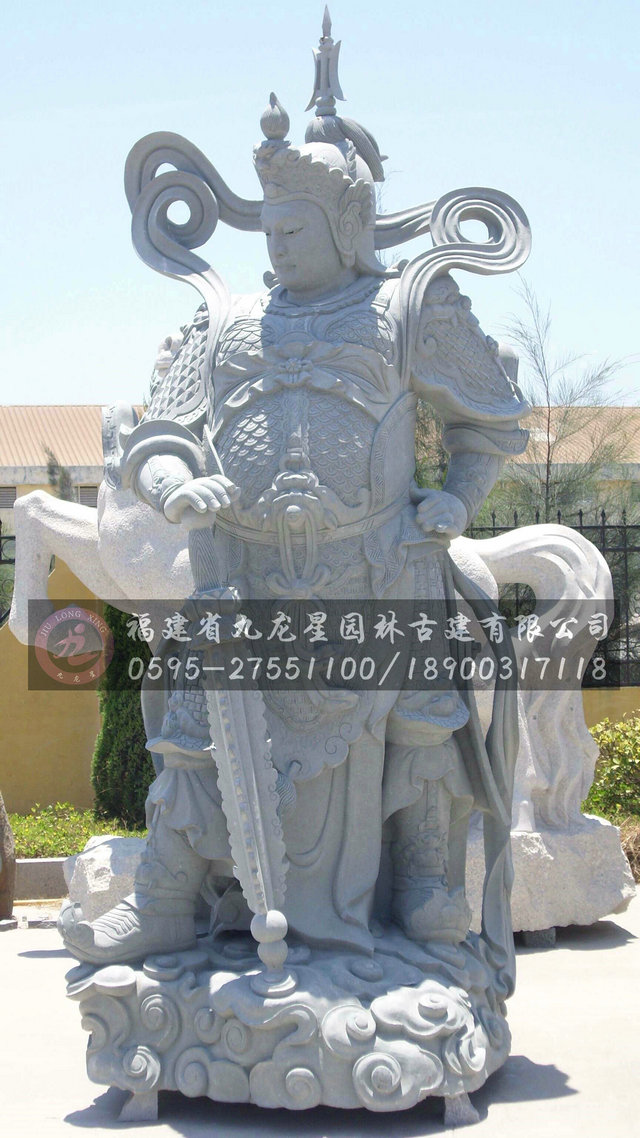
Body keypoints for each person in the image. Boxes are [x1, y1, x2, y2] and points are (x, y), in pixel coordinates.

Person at [60, 58, 528, 994]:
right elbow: (159, 436)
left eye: (295, 228)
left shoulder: (406, 308)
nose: (276, 246)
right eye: (268, 228)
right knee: (194, 730)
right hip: (246, 574)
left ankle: (426, 882)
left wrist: (456, 499)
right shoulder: (229, 321)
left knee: (422, 722)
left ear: (346, 226)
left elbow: (489, 422)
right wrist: (175, 485)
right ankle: (165, 893)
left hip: (379, 568)